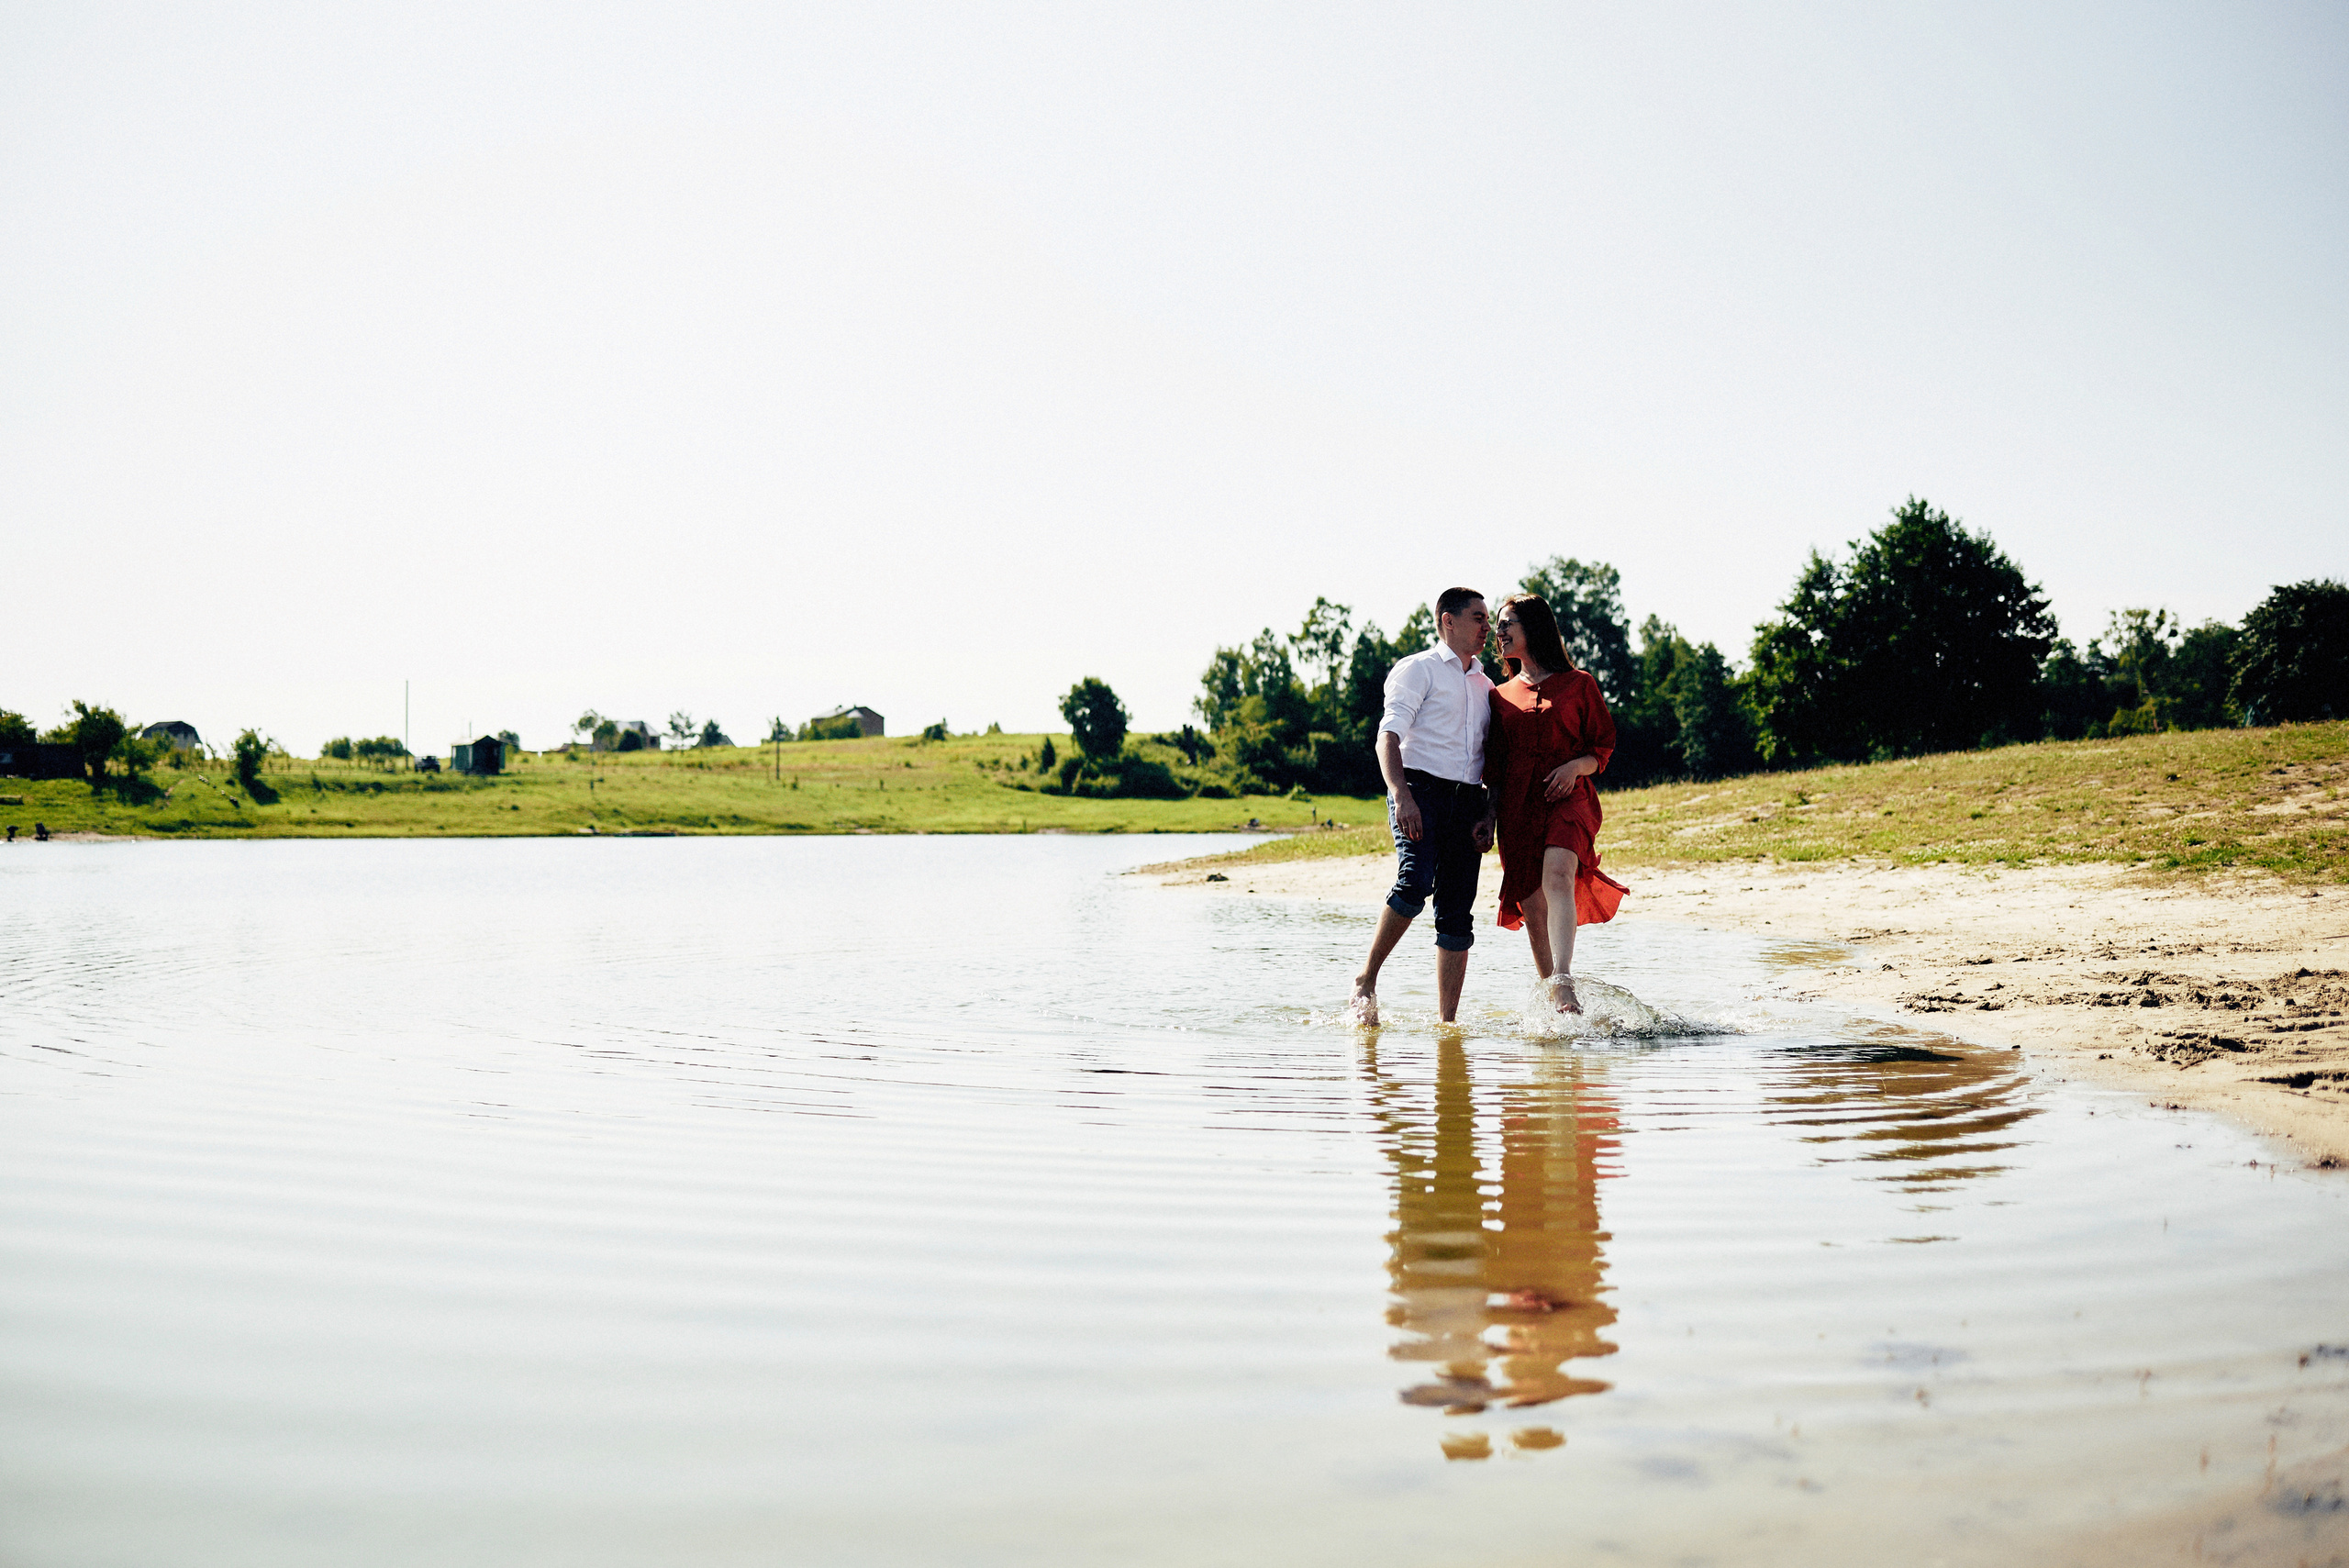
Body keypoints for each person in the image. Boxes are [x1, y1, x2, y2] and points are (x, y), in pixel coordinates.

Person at [1351, 587, 1497, 1026]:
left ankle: (1447, 1023)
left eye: (1489, 620)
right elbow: (1387, 737)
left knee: (1457, 911)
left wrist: (1488, 814)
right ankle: (1366, 979)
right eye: (1478, 618)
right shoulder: (1417, 670)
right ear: (1447, 621)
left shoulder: (1487, 684)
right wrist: (1401, 795)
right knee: (1415, 882)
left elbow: (1490, 757)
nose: (1487, 627)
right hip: (1420, 791)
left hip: (1469, 800)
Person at [1486, 592, 1628, 1013]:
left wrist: (1573, 769)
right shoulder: (1498, 695)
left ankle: (1564, 980)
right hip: (1517, 807)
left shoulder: (1580, 683)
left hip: (1569, 797)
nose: (1500, 630)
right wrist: (1489, 816)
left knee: (1559, 874)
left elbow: (1602, 747)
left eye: (1508, 621)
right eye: (1498, 623)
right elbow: (1493, 766)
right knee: (1531, 898)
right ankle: (1551, 989)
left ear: (1535, 627)